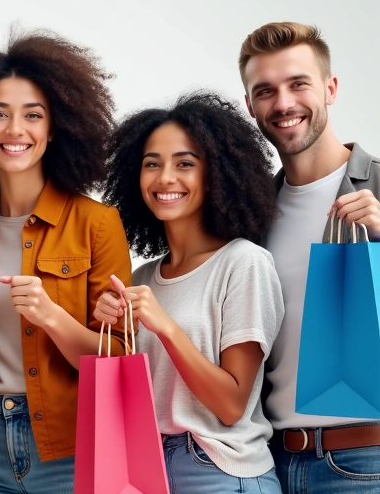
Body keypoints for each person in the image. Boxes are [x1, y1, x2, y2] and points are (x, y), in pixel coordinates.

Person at [0, 28, 131, 493]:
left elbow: (121, 358)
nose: (15, 130)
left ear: (54, 128)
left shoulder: (97, 224)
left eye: (32, 116)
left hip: (72, 445)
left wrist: (53, 318)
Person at [95, 92, 283, 493]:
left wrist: (165, 326)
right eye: (152, 164)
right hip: (147, 467)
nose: (165, 178)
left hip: (217, 467)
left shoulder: (244, 263)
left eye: (185, 164)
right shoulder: (143, 277)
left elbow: (231, 405)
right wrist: (107, 326)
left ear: (215, 174)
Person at [238, 22, 380, 493]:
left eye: (298, 84)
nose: (283, 104)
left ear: (330, 88)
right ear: (250, 106)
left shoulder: (379, 188)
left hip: (364, 460)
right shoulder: (250, 215)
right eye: (265, 91)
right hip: (270, 462)